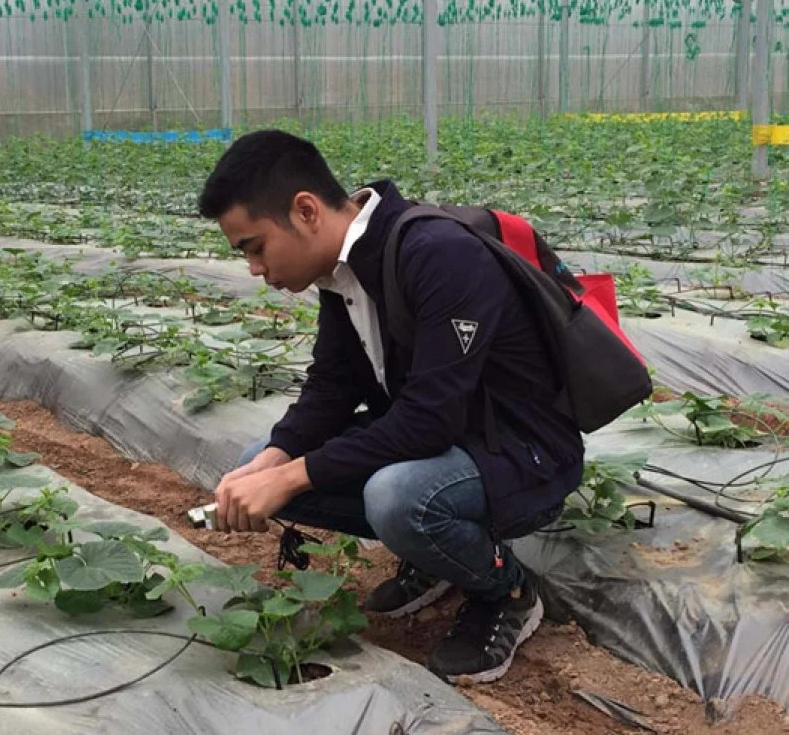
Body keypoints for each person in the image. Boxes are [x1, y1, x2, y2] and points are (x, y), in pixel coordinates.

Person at [197, 129, 585, 684]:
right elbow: (331, 388)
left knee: (397, 498)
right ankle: (435, 558)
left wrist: (291, 476)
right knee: (258, 462)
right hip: (450, 442)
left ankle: (507, 589)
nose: (254, 269)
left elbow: (427, 422)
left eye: (255, 248)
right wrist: (275, 458)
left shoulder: (438, 254)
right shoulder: (342, 270)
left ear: (305, 211)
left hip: (523, 453)